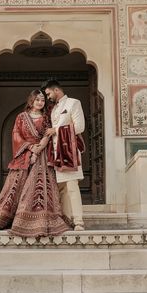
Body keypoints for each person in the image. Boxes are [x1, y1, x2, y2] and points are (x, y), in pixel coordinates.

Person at [0, 89, 70, 237]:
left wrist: (37, 151)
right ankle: (12, 218)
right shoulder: (21, 117)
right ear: (31, 101)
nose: (40, 102)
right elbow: (16, 135)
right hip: (24, 153)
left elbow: (47, 135)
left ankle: (39, 221)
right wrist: (30, 148)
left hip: (42, 155)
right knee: (17, 186)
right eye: (37, 99)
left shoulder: (46, 117)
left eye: (42, 100)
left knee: (40, 186)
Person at [43, 79, 86, 231]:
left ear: (56, 90)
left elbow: (80, 127)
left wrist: (56, 130)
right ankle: (67, 221)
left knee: (72, 186)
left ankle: (79, 221)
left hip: (69, 151)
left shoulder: (73, 103)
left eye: (48, 93)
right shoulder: (53, 109)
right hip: (56, 153)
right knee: (62, 189)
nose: (47, 97)